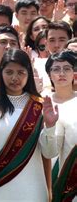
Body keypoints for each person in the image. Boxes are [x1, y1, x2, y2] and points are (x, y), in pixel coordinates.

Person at [0, 49, 56, 201]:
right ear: (1, 73)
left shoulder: (38, 105)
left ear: (28, 73)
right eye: (9, 72)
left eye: (21, 72)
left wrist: (50, 126)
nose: (15, 78)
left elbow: (48, 153)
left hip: (31, 191)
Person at [40, 51, 77, 202]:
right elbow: (49, 152)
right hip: (60, 178)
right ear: (49, 74)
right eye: (56, 69)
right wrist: (49, 126)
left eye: (67, 68)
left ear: (74, 73)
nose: (62, 73)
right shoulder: (43, 103)